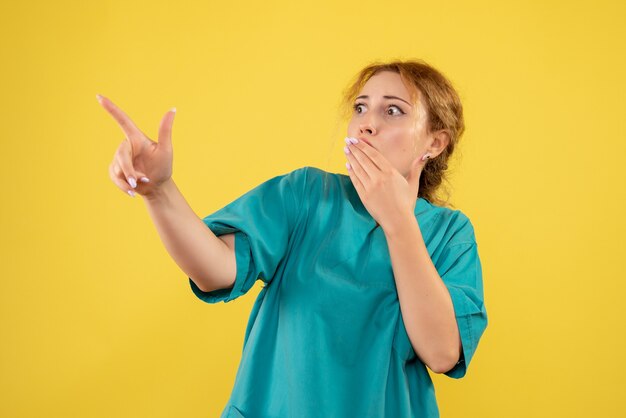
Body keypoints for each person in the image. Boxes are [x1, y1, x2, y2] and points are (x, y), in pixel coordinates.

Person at [99, 58, 488, 418]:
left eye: (392, 110)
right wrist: (159, 190)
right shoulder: (306, 195)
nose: (367, 122)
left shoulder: (450, 234)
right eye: (360, 108)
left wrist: (398, 221)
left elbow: (441, 351)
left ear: (435, 143)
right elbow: (216, 270)